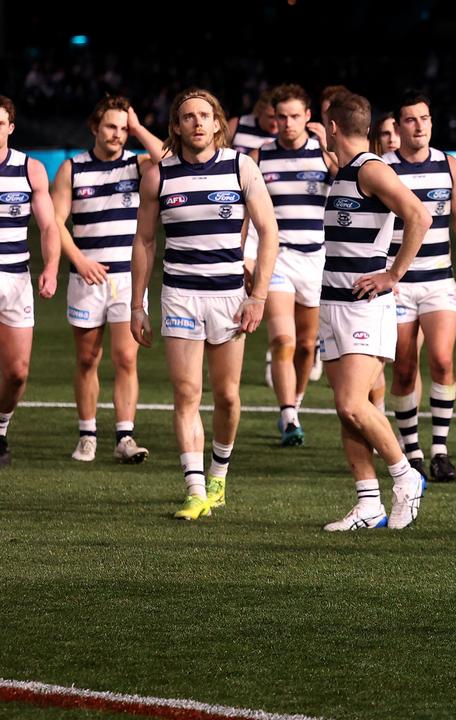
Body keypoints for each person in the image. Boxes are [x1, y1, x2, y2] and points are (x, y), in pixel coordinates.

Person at [130, 88, 280, 520]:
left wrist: (258, 297)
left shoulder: (241, 167)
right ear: (176, 126)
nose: (197, 123)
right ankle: (195, 488)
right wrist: (137, 305)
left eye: (205, 115)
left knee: (228, 397)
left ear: (219, 123)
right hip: (179, 295)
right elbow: (143, 241)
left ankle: (218, 475)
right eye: (188, 117)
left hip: (230, 296)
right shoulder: (159, 174)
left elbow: (269, 233)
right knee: (186, 393)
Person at [316, 91, 430, 531]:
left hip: (365, 307)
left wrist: (393, 274)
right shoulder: (345, 171)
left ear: (331, 125)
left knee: (352, 403)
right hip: (334, 303)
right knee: (347, 409)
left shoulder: (371, 169)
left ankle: (406, 478)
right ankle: (368, 503)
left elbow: (418, 215)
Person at [51, 95, 164, 463]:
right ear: (95, 128)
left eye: (123, 128)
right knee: (87, 359)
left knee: (125, 359)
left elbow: (169, 160)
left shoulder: (139, 164)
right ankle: (87, 435)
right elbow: (56, 222)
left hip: (127, 279)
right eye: (111, 127)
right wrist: (80, 260)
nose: (118, 134)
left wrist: (138, 127)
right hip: (87, 279)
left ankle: (125, 437)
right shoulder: (72, 168)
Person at [383, 93, 456, 483]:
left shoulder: (448, 164)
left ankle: (439, 449)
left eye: (425, 118)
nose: (419, 126)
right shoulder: (384, 168)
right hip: (399, 284)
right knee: (405, 367)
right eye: (410, 120)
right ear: (398, 126)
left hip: (439, 279)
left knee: (442, 360)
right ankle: (412, 450)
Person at [247, 84, 337, 447]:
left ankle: (295, 405)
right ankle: (287, 414)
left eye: (295, 116)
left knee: (305, 345)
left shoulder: (323, 154)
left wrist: (329, 149)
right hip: (279, 257)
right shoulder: (260, 156)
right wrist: (248, 257)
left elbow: (349, 183)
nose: (287, 123)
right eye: (281, 117)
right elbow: (246, 213)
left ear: (308, 117)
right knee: (282, 340)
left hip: (317, 259)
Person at [0, 95, 61, 468]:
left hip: (16, 279)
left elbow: (50, 226)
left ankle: (1, 427)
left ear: (9, 127)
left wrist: (52, 267)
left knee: (18, 372)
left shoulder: (30, 169)